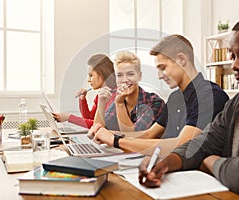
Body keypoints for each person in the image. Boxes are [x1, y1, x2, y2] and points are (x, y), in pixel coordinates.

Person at [139, 10, 239, 199]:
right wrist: (165, 163)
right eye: (233, 57)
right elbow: (203, 144)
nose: (235, 66)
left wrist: (211, 162)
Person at [89, 35, 229, 156]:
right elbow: (149, 134)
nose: (159, 76)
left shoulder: (210, 95)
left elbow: (182, 145)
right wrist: (106, 135)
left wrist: (116, 140)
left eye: (163, 68)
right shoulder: (175, 98)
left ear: (181, 59)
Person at [93, 51, 165, 132]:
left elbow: (133, 136)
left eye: (130, 74)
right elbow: (97, 130)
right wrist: (101, 103)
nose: (124, 80)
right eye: (119, 75)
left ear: (139, 76)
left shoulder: (154, 102)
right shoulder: (119, 101)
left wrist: (120, 104)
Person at [53, 54, 116, 128]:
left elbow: (97, 125)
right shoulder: (100, 95)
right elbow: (90, 118)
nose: (88, 80)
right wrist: (83, 100)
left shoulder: (114, 95)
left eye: (91, 75)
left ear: (102, 73)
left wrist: (69, 117)